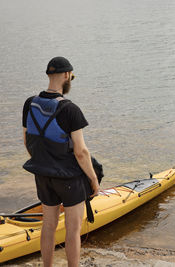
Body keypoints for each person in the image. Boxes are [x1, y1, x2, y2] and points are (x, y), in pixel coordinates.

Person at [22, 56, 100, 267]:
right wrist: (93, 179)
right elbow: (81, 152)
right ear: (67, 75)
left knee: (48, 226)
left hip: (43, 175)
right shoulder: (70, 109)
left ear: (49, 75)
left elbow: (28, 141)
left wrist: (45, 163)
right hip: (69, 178)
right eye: (71, 77)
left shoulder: (30, 104)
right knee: (72, 231)